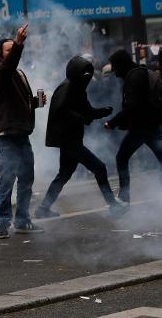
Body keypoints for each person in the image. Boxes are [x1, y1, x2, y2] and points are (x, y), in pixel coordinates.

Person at [34, 55, 128, 218]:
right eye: (84, 73)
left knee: (64, 175)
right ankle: (112, 205)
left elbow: (87, 111)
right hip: (69, 140)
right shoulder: (67, 87)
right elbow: (61, 110)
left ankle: (43, 208)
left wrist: (101, 112)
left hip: (72, 139)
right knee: (99, 168)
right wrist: (81, 118)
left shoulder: (77, 89)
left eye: (88, 73)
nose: (87, 77)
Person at [0, 24, 47, 239]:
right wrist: (19, 44)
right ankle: (2, 223)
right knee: (8, 177)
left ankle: (22, 221)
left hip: (21, 132)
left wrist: (35, 102)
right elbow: (7, 67)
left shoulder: (16, 73)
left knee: (26, 177)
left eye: (14, 48)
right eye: (8, 49)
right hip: (6, 133)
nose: (12, 52)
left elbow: (16, 101)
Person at [104, 49, 162, 203]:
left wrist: (113, 122)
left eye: (116, 69)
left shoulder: (134, 77)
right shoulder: (140, 72)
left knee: (121, 158)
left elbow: (133, 107)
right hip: (151, 125)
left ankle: (124, 197)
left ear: (122, 65)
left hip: (142, 127)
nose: (116, 74)